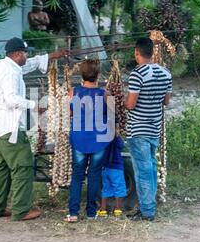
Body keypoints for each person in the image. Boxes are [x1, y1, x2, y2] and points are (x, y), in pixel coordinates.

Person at [0, 37, 67, 221]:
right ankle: (21, 210)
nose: (26, 55)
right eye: (24, 52)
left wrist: (53, 56)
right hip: (9, 129)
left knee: (1, 170)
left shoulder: (3, 65)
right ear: (16, 54)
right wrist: (34, 105)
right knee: (23, 165)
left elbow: (29, 64)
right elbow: (11, 98)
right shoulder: (12, 73)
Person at [125, 38, 172, 222]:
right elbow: (166, 101)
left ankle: (147, 212)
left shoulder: (137, 75)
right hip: (154, 129)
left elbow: (131, 104)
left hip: (138, 130)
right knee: (151, 169)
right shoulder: (166, 73)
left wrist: (120, 100)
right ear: (152, 52)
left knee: (143, 171)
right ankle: (148, 207)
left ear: (137, 53)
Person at [63, 59, 113, 223]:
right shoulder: (105, 94)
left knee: (77, 176)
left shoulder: (73, 92)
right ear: (98, 75)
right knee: (94, 175)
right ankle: (91, 213)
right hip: (99, 141)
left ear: (81, 74)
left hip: (79, 139)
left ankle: (73, 213)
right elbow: (113, 117)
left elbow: (69, 114)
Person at [96, 134, 127, 218]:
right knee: (119, 188)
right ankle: (118, 209)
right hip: (116, 168)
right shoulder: (116, 138)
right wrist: (118, 136)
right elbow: (121, 145)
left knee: (106, 188)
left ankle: (103, 210)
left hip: (105, 168)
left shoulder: (102, 138)